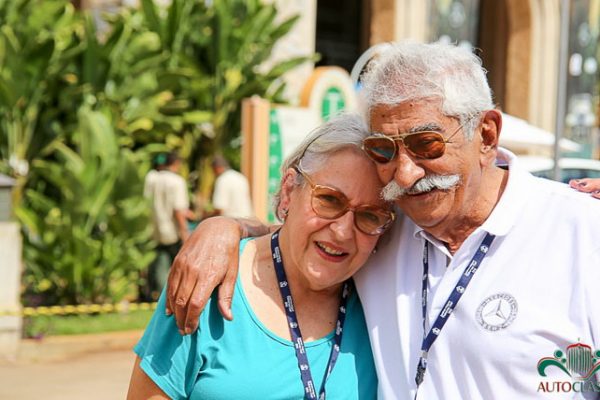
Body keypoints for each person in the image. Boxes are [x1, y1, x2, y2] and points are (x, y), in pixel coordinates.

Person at [166, 42, 600, 399]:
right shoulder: (384, 227)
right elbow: (310, 228)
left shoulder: (583, 233)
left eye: (427, 144)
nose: (404, 174)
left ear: (486, 134)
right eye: (384, 150)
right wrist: (223, 229)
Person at [127, 115, 394, 399]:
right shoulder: (209, 278)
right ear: (289, 190)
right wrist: (220, 226)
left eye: (370, 216)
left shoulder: (381, 298)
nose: (342, 232)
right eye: (329, 200)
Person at [143, 152, 191, 300]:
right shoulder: (177, 181)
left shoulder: (151, 179)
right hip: (173, 232)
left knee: (159, 267)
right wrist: (185, 233)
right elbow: (178, 211)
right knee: (179, 268)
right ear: (176, 164)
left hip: (155, 230)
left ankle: (159, 297)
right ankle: (174, 298)